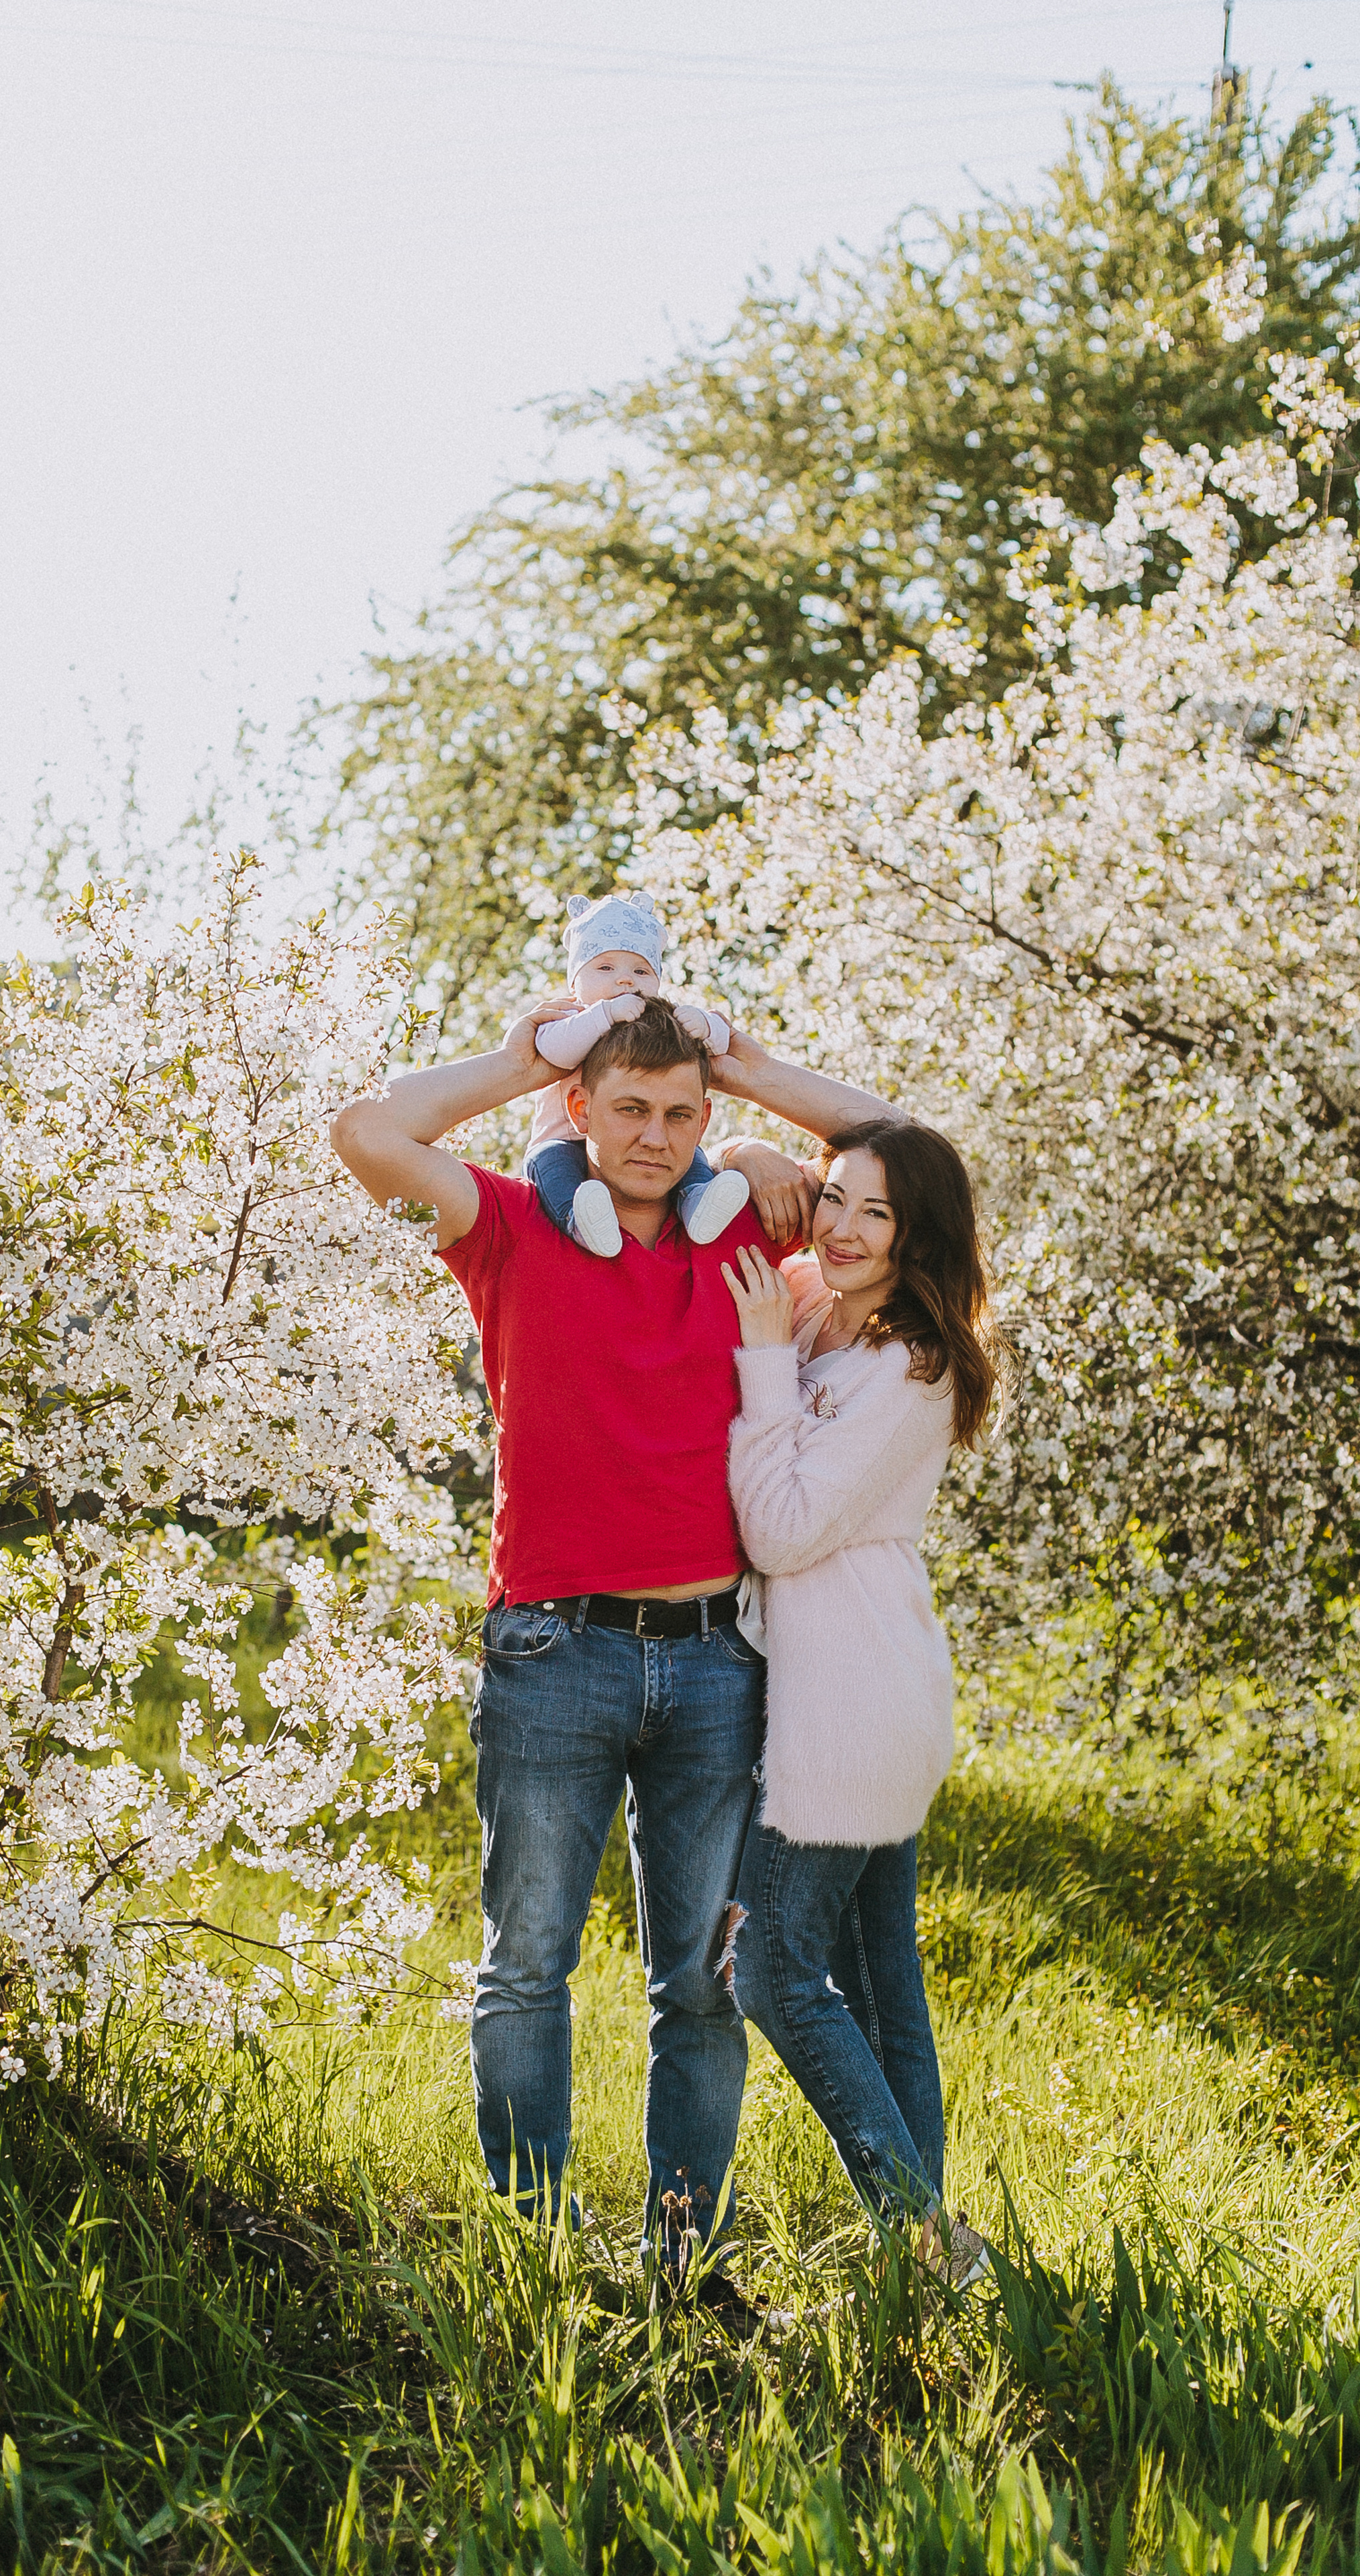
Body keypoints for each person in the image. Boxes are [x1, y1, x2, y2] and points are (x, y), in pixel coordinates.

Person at [330, 992, 888, 2290]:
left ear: (709, 1121)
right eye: (627, 1109)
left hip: (714, 1660)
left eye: (682, 1114)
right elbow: (366, 1133)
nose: (652, 1136)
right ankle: (532, 2252)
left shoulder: (751, 1223)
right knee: (528, 1964)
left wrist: (756, 1078)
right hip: (553, 1651)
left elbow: (896, 1152)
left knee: (699, 1985)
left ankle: (682, 2263)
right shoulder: (516, 1227)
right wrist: (517, 1059)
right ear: (578, 1111)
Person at [719, 1119, 1000, 2289]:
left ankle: (927, 2238)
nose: (838, 1226)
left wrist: (763, 1362)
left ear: (917, 1237)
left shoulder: (907, 1364)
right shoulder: (829, 1304)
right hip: (867, 1681)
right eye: (834, 1197)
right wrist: (740, 1137)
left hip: (848, 1699)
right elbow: (779, 1160)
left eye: (874, 1214)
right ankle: (926, 2262)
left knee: (774, 1970)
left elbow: (782, 1531)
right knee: (886, 1995)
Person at [526, 888, 748, 1257]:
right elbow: (553, 1049)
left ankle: (697, 1204)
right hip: (563, 1142)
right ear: (575, 982)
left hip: (625, 1153)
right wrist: (606, 1015)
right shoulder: (570, 1017)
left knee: (692, 1157)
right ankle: (578, 1221)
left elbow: (722, 1042)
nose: (625, 980)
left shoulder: (658, 1023)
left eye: (640, 970)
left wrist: (708, 1027)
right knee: (547, 1164)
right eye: (605, 968)